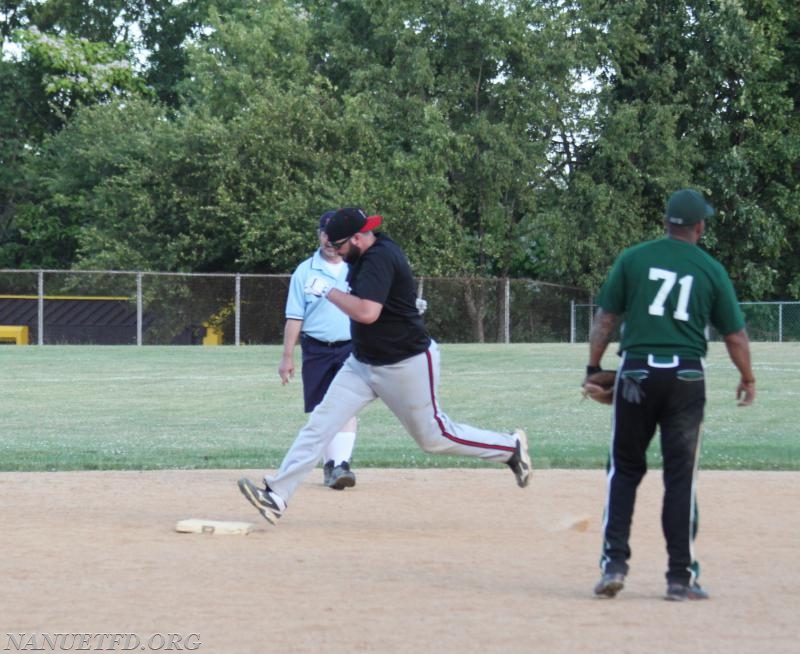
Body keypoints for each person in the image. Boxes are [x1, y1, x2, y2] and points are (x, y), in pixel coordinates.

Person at [239, 207, 531, 524]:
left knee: (434, 438)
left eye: (338, 245)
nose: (334, 251)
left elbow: (366, 312)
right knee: (320, 423)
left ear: (356, 238)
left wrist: (328, 291)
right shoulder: (361, 255)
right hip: (362, 364)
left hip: (405, 364)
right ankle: (277, 496)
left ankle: (509, 447)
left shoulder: (379, 257)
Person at [587, 188, 756, 602]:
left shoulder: (633, 258)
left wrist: (593, 368)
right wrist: (747, 377)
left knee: (624, 470)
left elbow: (606, 319)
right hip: (685, 378)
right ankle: (680, 578)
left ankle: (614, 564)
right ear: (699, 226)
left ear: (667, 222)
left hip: (636, 373)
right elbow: (734, 335)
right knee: (680, 477)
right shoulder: (710, 267)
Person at [278, 210, 358, 490]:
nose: (328, 239)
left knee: (348, 404)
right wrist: (287, 356)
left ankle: (342, 465)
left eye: (334, 234)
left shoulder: (355, 266)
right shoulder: (305, 270)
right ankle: (330, 466)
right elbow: (294, 316)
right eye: (324, 233)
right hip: (316, 347)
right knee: (323, 409)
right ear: (319, 234)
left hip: (351, 345)